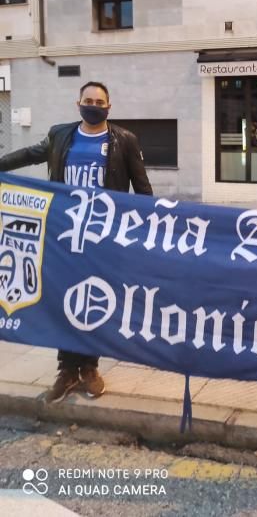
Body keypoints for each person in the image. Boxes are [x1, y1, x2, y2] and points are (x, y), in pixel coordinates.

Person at [0, 81, 153, 403]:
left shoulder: (124, 140)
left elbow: (142, 189)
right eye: (88, 100)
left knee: (96, 297)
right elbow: (30, 154)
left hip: (103, 236)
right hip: (63, 233)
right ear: (78, 103)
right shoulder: (61, 135)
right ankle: (66, 370)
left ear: (108, 107)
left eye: (99, 101)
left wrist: (146, 230)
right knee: (63, 298)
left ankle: (90, 367)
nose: (93, 105)